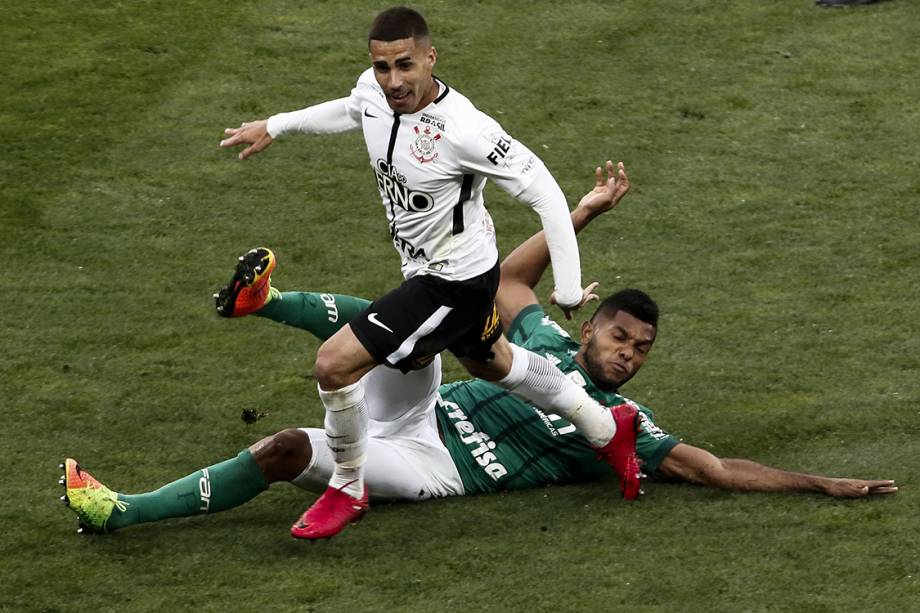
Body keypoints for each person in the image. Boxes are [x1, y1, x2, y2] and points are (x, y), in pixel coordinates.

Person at [60, 161, 896, 536]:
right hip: (419, 406)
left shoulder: (627, 422)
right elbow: (505, 283)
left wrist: (819, 483)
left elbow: (715, 470)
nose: (628, 353)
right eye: (618, 335)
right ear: (594, 325)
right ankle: (266, 300)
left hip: (435, 469)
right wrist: (583, 213)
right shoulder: (549, 339)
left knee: (281, 448)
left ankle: (122, 510)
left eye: (640, 348)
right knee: (427, 322)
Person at [217, 7, 639, 538]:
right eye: (382, 67)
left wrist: (571, 284)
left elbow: (546, 194)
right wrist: (274, 125)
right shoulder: (372, 93)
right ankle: (607, 428)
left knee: (334, 365)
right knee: (496, 364)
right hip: (433, 270)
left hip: (455, 283)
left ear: (430, 58)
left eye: (405, 66)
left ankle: (347, 486)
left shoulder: (465, 129)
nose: (393, 81)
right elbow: (352, 109)